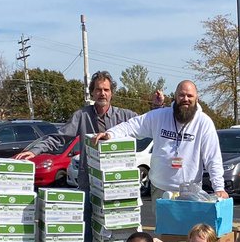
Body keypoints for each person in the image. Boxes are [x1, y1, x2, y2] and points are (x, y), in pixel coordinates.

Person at [15, 70, 138, 242]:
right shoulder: (82, 116)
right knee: (86, 235)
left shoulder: (124, 116)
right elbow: (59, 137)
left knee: (118, 235)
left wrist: (158, 106)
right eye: (98, 90)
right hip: (89, 184)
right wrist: (35, 151)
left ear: (112, 93)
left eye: (106, 90)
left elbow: (148, 122)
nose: (102, 94)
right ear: (92, 93)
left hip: (117, 188)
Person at [92, 79, 227, 198]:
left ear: (196, 98)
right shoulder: (160, 116)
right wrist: (110, 134)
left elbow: (212, 157)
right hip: (160, 190)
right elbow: (132, 126)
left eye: (190, 95)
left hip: (190, 192)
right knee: (163, 227)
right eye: (181, 95)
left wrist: (219, 188)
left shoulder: (204, 123)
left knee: (189, 228)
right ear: (175, 97)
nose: (185, 98)